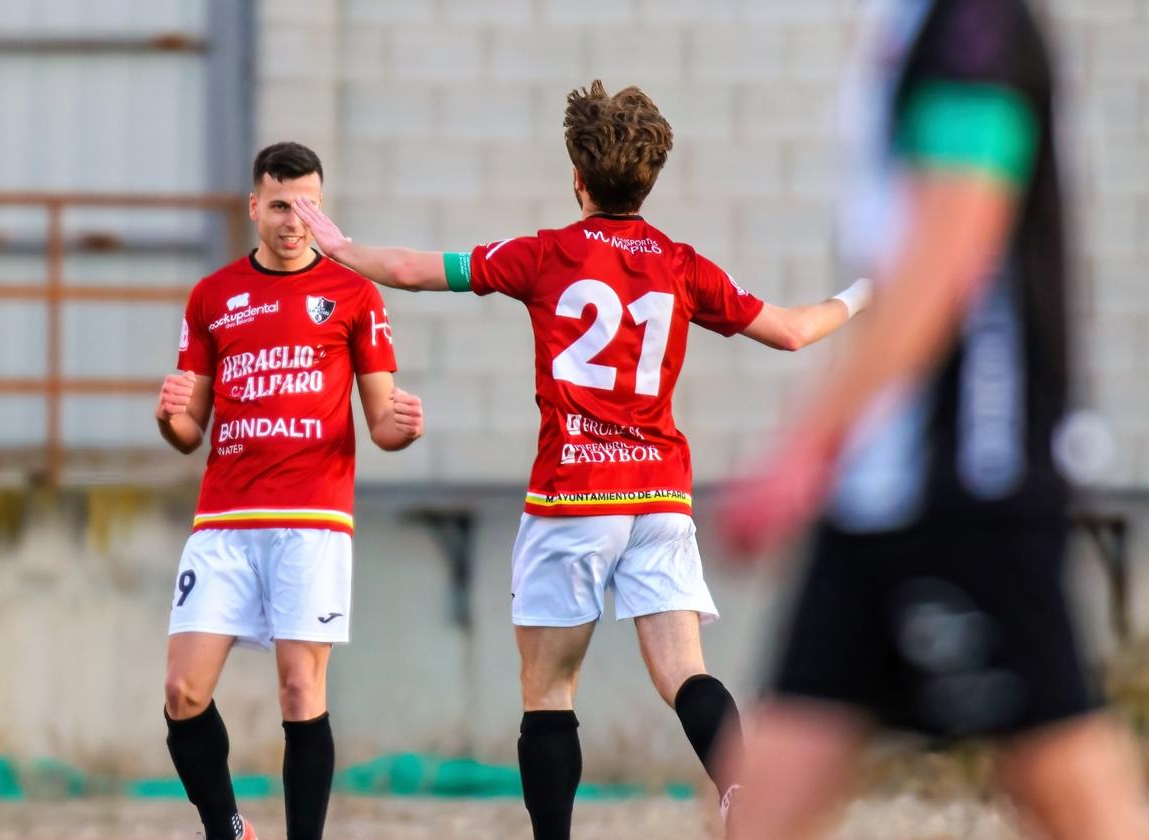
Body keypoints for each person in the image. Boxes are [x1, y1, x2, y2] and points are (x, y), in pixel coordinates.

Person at [292, 81, 870, 839]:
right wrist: (866, 292)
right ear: (651, 175)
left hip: (574, 496)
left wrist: (339, 247)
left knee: (549, 688)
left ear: (577, 174)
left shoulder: (545, 254)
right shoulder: (679, 263)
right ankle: (743, 797)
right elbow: (793, 330)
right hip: (660, 496)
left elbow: (411, 269)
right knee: (684, 672)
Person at [718, 1, 1149, 838]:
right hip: (879, 491)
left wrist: (807, 445)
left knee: (1068, 789)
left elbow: (955, 247)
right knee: (760, 801)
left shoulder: (973, 22)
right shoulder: (909, 21)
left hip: (970, 483)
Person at [154, 141, 424, 840]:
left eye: (307, 205)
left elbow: (381, 425)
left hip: (312, 519)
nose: (294, 219)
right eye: (280, 205)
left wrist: (403, 427)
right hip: (223, 520)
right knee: (184, 691)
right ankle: (229, 829)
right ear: (255, 207)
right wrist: (170, 416)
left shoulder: (354, 295)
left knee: (300, 691)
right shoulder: (212, 296)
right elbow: (190, 431)